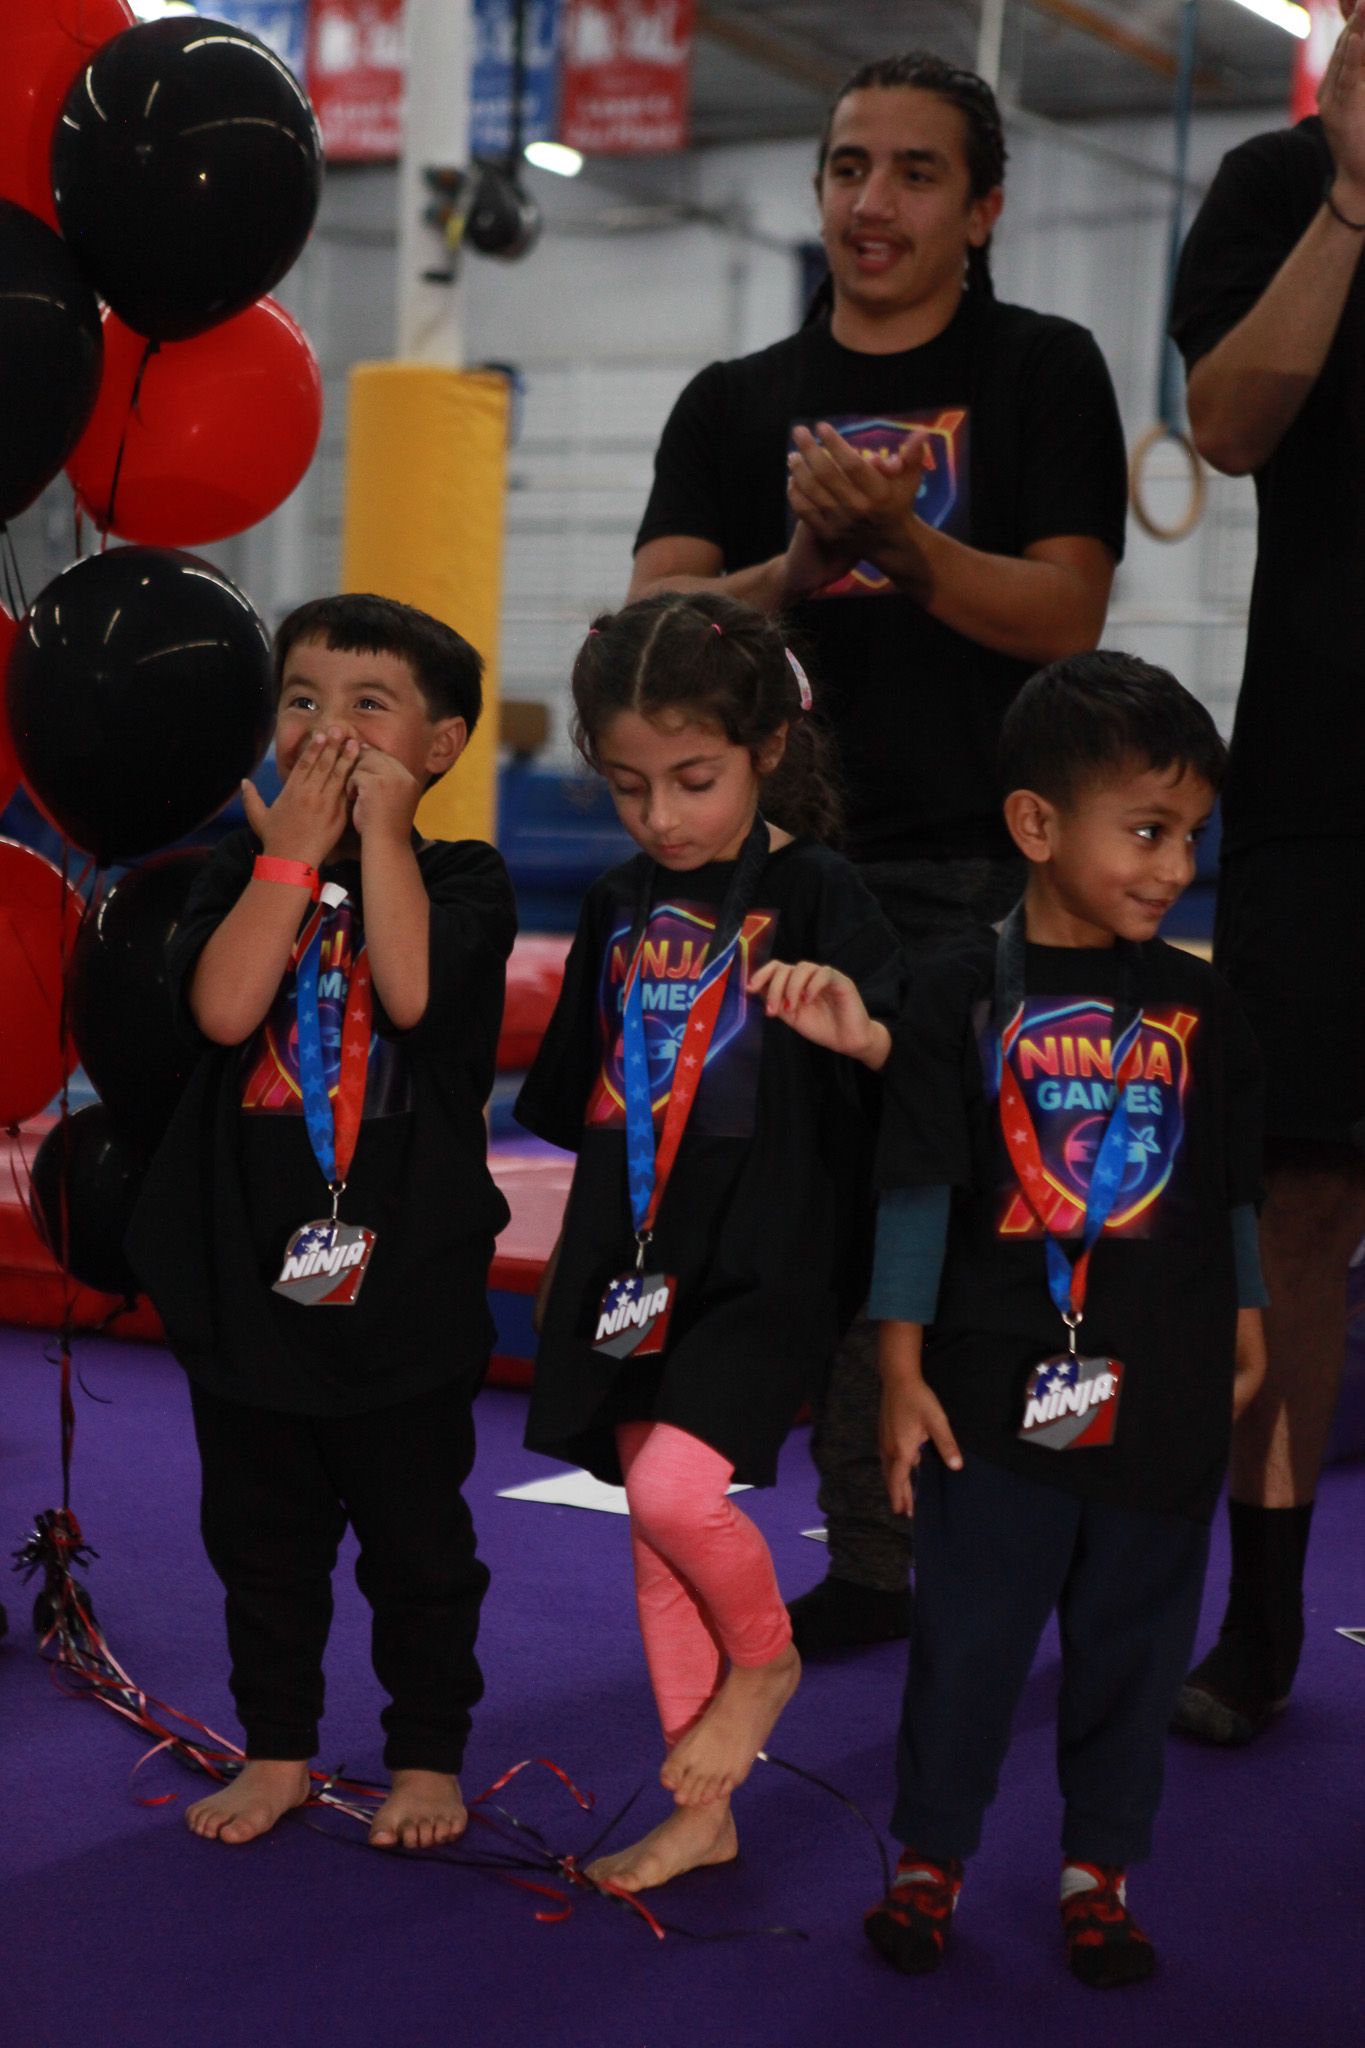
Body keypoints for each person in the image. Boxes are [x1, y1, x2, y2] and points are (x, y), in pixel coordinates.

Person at [630, 50, 1129, 1653]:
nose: (873, 200)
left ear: (982, 208)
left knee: (983, 1223)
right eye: (850, 166)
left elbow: (1064, 611)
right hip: (792, 878)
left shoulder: (1044, 370)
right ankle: (866, 1550)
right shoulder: (733, 401)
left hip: (995, 874)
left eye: (916, 173)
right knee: (806, 1219)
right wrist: (800, 560)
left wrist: (903, 547)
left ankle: (1004, 1540)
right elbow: (651, 626)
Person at [817, 653, 1265, 1986]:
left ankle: (1097, 1871)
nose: (1172, 864)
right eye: (1143, 830)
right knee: (966, 1643)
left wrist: (1244, 1318)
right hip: (994, 1391)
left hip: (1167, 1384)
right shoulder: (958, 992)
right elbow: (914, 1195)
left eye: (1188, 835)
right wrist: (899, 1367)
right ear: (1035, 826)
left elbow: (1228, 1184)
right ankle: (928, 1858)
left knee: (1135, 1647)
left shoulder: (1205, 1004)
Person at [515, 591, 904, 1893]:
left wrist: (853, 1028)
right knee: (654, 1527)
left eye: (694, 779)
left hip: (769, 1250)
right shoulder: (623, 897)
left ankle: (766, 1663)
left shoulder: (818, 889)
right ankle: (705, 1805)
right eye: (629, 786)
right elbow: (575, 1091)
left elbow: (902, 1058)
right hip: (637, 1252)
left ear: (768, 750)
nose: (661, 815)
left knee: (684, 1495)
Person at [127, 593, 516, 1850]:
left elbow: (405, 988)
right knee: (262, 1543)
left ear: (443, 742)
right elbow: (232, 1009)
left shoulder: (466, 875)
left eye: (367, 705)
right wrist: (289, 860)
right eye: (302, 700)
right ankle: (279, 1747)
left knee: (419, 1548)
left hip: (407, 1284)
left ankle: (425, 1757)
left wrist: (380, 835)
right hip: (252, 1279)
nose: (328, 729)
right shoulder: (242, 872)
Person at [1167, 1, 1365, 1744]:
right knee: (1300, 1209)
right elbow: (1225, 426)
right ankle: (1268, 1611)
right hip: (1327, 779)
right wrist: (1356, 205)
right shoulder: (1277, 184)